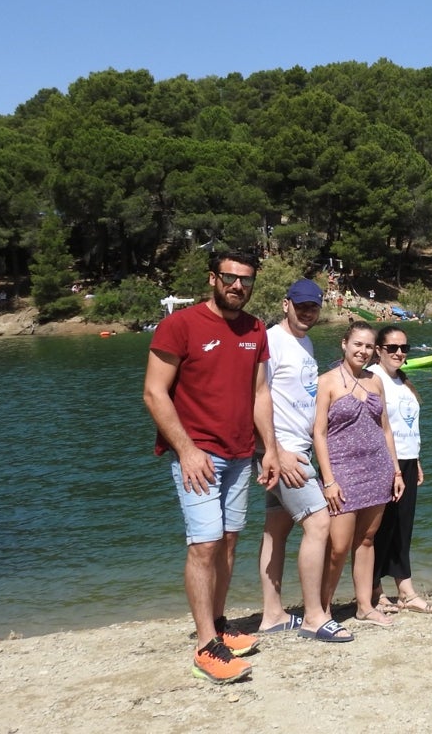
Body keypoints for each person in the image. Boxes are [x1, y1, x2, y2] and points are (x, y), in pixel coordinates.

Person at [143, 250, 278, 684]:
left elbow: (259, 394)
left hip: (241, 454)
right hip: (199, 455)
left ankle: (218, 624)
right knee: (203, 545)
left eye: (246, 280)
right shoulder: (179, 325)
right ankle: (206, 646)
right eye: (229, 278)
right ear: (212, 279)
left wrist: (268, 448)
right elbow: (154, 393)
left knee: (227, 542)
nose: (237, 286)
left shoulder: (256, 329)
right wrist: (186, 450)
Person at [256, 279, 353, 643]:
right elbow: (255, 396)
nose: (307, 311)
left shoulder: (305, 342)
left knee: (276, 530)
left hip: (297, 448)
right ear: (285, 304)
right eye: (301, 305)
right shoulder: (272, 341)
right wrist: (275, 452)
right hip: (282, 453)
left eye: (313, 306)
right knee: (318, 523)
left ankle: (272, 615)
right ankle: (314, 616)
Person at [313, 322, 405, 627]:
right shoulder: (326, 381)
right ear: (344, 344)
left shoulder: (375, 381)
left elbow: (386, 429)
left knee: (367, 540)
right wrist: (328, 480)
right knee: (338, 547)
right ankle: (321, 610)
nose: (363, 351)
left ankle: (364, 605)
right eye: (358, 345)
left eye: (368, 346)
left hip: (377, 469)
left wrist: (395, 470)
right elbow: (319, 433)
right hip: (342, 471)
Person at [369, 325, 432, 615]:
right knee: (379, 528)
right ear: (379, 350)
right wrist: (393, 467)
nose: (399, 353)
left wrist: (415, 459)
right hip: (385, 461)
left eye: (404, 348)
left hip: (407, 460)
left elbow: (407, 426)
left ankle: (404, 591)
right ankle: (374, 590)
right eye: (392, 348)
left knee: (402, 526)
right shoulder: (374, 378)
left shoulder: (402, 381)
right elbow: (377, 426)